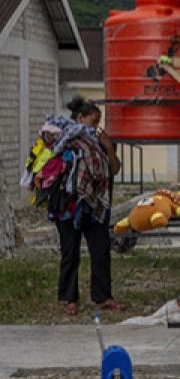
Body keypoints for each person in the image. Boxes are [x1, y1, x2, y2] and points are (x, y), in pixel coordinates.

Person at [54, 97, 123, 316]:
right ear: (79, 118)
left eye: (98, 123)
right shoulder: (65, 139)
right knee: (70, 251)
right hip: (69, 206)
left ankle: (103, 296)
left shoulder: (102, 143)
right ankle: (68, 298)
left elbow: (114, 169)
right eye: (92, 122)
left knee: (100, 250)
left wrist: (109, 149)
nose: (96, 128)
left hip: (96, 208)